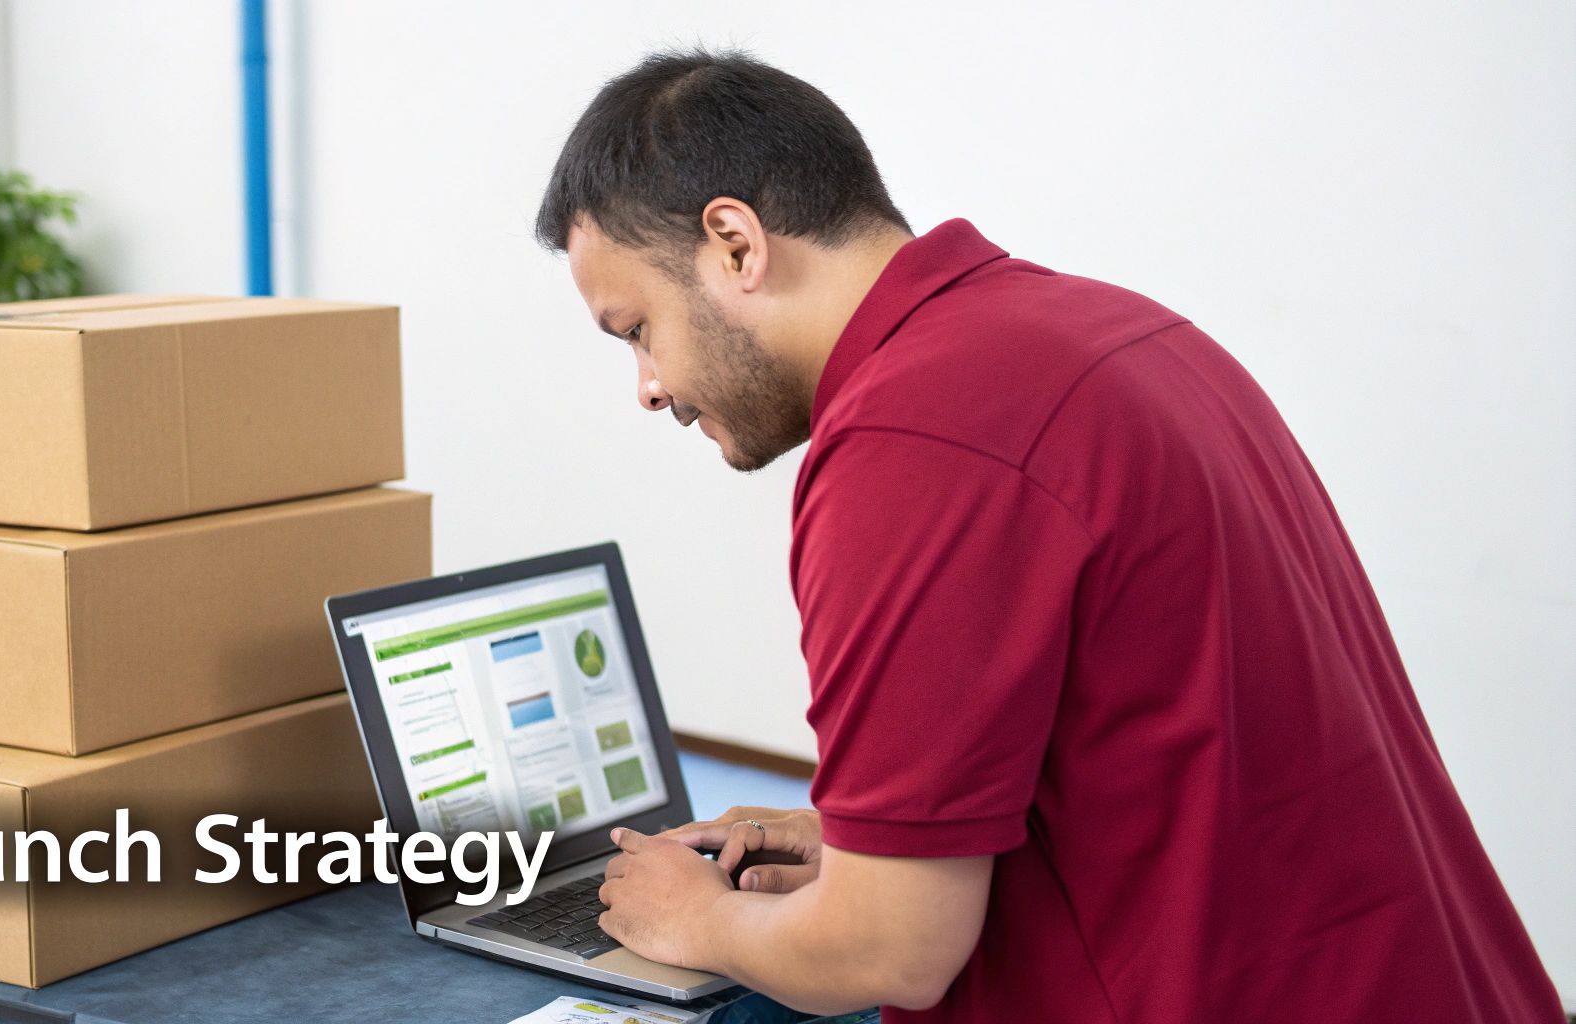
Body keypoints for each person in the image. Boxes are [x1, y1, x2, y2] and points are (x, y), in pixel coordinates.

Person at [534, 49, 1564, 1023]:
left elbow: (887, 953)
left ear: (734, 243)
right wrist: (863, 850)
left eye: (636, 330)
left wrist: (701, 914)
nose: (649, 386)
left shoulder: (911, 439)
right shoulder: (1117, 333)